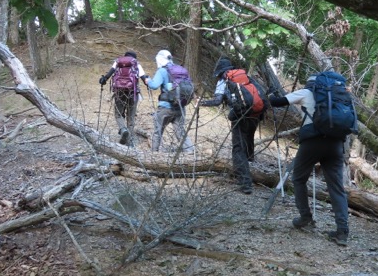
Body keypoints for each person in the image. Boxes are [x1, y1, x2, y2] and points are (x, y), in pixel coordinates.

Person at [268, 77, 350, 246]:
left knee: (299, 178)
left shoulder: (306, 92)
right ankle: (342, 231)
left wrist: (270, 95)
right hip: (336, 143)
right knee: (336, 187)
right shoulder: (339, 97)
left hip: (312, 142)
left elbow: (277, 102)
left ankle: (305, 217)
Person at [198, 56, 262, 195]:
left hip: (240, 117)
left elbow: (217, 101)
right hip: (255, 115)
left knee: (238, 149)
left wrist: (201, 102)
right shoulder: (246, 77)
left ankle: (245, 183)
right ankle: (252, 168)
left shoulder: (224, 80)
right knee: (248, 143)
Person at [145, 49, 194, 153]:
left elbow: (154, 86)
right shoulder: (181, 70)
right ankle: (191, 153)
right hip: (180, 107)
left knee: (158, 132)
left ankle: (154, 156)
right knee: (180, 132)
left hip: (165, 107)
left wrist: (148, 80)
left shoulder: (162, 71)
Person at [99, 51, 148, 146]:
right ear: (134, 58)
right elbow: (144, 79)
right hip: (133, 93)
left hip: (119, 92)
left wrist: (103, 80)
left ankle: (123, 129)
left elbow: (108, 75)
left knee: (118, 114)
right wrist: (149, 82)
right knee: (131, 116)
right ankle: (129, 142)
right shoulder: (136, 63)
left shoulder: (117, 62)